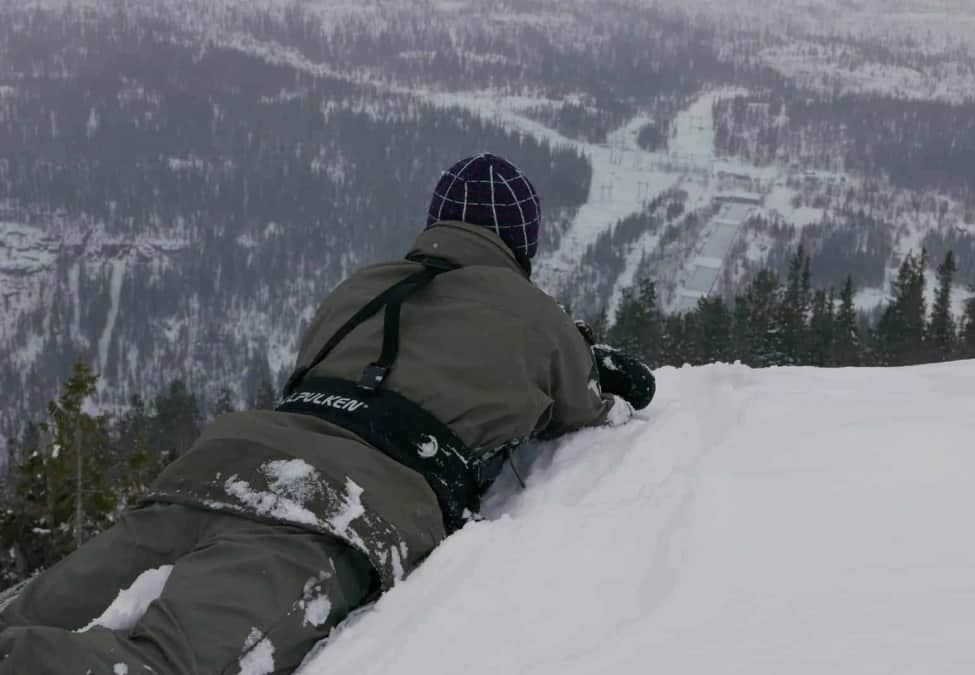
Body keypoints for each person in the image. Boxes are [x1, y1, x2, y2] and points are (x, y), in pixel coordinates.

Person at [0, 153, 655, 674]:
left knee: (24, 614)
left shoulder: (363, 286)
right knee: (170, 664)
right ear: (523, 242)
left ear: (435, 221)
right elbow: (593, 409)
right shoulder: (537, 318)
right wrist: (590, 357)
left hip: (215, 469)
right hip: (330, 509)